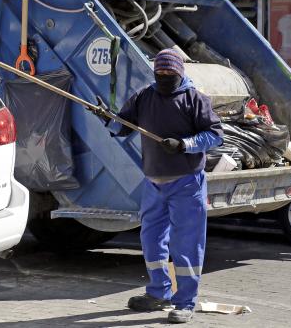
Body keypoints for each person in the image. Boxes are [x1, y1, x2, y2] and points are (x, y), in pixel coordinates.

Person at [90, 49, 223, 324]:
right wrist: (107, 119)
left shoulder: (194, 100)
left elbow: (214, 135)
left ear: (179, 73)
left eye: (169, 74)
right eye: (159, 73)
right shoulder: (144, 96)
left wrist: (185, 145)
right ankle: (158, 292)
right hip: (153, 182)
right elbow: (123, 126)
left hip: (187, 182)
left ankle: (185, 302)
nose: (163, 77)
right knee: (151, 240)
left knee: (186, 244)